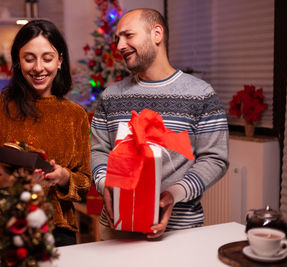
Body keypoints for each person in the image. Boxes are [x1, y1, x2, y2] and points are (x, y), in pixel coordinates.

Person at [90, 8, 229, 240]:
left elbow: (215, 158)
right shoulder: (111, 96)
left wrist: (174, 194)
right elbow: (99, 150)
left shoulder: (201, 94)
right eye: (117, 39)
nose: (120, 46)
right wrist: (105, 183)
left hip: (179, 232)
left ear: (157, 34)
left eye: (128, 35)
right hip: (117, 229)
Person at [0, 19, 91, 256]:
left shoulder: (75, 115)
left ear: (60, 60)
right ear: (17, 61)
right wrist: (10, 183)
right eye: (29, 59)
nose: (38, 68)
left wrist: (64, 176)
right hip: (6, 230)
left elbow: (84, 182)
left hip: (59, 232)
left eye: (47, 58)